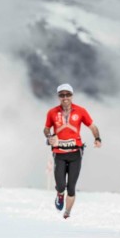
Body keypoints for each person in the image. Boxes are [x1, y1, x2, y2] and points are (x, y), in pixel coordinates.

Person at [43, 83, 101, 219]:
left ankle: (67, 213)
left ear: (72, 96)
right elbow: (46, 128)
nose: (65, 98)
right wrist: (49, 136)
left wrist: (97, 138)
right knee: (61, 185)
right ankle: (59, 194)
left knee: (71, 187)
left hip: (75, 153)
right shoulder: (52, 112)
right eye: (62, 95)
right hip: (59, 153)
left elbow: (92, 126)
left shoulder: (80, 111)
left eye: (67, 94)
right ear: (58, 97)